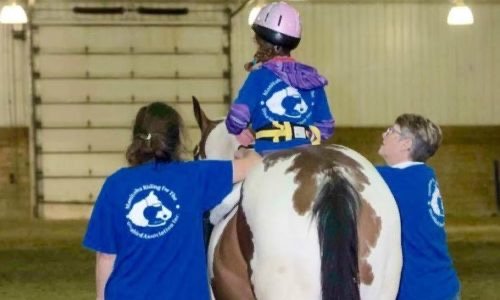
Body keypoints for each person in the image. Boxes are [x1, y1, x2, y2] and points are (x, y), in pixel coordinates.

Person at [82, 102, 261, 300]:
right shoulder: (195, 177)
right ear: (176, 140)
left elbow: (106, 255)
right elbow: (254, 164)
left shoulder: (115, 185)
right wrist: (245, 150)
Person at [225, 1, 335, 155]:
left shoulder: (259, 76)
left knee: (237, 168)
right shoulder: (312, 79)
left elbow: (238, 117)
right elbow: (326, 127)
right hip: (306, 152)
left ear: (261, 42)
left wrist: (237, 130)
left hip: (268, 151)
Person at [376, 113, 460, 300]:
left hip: (418, 290)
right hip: (441, 285)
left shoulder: (392, 179)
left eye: (391, 131)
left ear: (406, 144)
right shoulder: (423, 174)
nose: (384, 134)